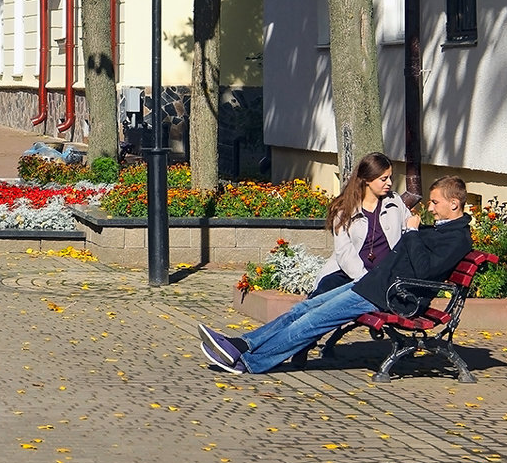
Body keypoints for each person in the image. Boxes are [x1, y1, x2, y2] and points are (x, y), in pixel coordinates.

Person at [197, 176, 473, 375]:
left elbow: (426, 270)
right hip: (375, 284)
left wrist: (412, 232)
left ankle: (251, 362)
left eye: (435, 202)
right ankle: (242, 344)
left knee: (311, 323)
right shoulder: (443, 229)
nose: (430, 207)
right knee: (303, 309)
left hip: (390, 296)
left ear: (454, 203)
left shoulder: (457, 238)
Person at [309, 152, 408, 297]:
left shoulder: (395, 202)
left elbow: (410, 231)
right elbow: (344, 252)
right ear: (367, 179)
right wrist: (364, 279)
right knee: (321, 296)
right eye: (384, 179)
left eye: (390, 178)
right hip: (348, 274)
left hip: (384, 277)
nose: (390, 183)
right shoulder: (344, 209)